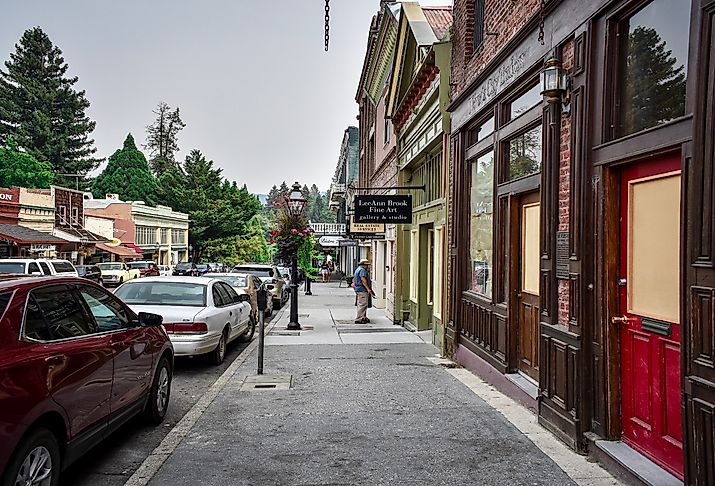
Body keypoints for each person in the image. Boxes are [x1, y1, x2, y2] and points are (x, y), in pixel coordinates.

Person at [353, 258, 375, 323]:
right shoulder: (362, 270)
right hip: (362, 289)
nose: (368, 266)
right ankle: (359, 318)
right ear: (364, 265)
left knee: (363, 303)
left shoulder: (358, 269)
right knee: (362, 304)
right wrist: (368, 289)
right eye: (367, 265)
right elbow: (363, 280)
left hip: (359, 289)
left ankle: (363, 317)